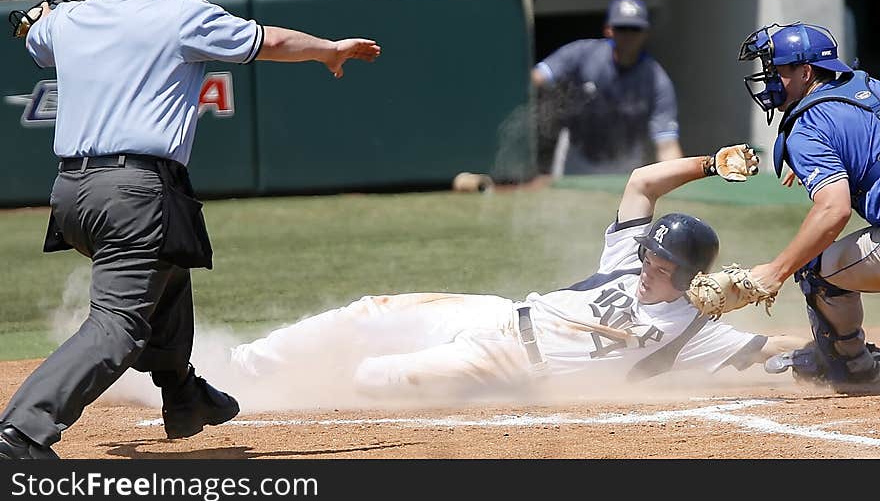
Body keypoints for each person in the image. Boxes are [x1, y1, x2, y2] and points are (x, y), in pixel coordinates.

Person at [0, 0, 381, 460]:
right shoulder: (178, 13)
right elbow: (267, 41)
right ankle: (21, 430)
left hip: (71, 195)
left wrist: (43, 16)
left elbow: (36, 37)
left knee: (169, 265)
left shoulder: (67, 19)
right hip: (135, 190)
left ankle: (183, 395)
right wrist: (328, 50)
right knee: (118, 325)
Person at [227, 147, 805, 404]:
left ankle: (295, 389)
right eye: (648, 259)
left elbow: (773, 347)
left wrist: (846, 348)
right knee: (366, 313)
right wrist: (709, 163)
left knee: (376, 379)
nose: (647, 272)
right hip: (497, 314)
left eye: (662, 269)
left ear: (689, 276)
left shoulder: (694, 330)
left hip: (510, 365)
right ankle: (237, 370)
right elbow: (641, 183)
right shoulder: (628, 264)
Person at [736, 22, 880, 393]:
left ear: (806, 72)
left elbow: (834, 211)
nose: (769, 80)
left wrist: (777, 271)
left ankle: (853, 366)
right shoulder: (870, 88)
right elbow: (861, 142)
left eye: (778, 71)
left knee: (814, 266)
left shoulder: (808, 127)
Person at [531, 0, 683, 177]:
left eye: (635, 29)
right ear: (609, 30)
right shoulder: (582, 53)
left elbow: (666, 144)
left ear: (646, 33)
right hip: (578, 156)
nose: (628, 36)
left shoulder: (657, 80)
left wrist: (678, 183)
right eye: (622, 28)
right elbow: (537, 77)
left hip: (626, 163)